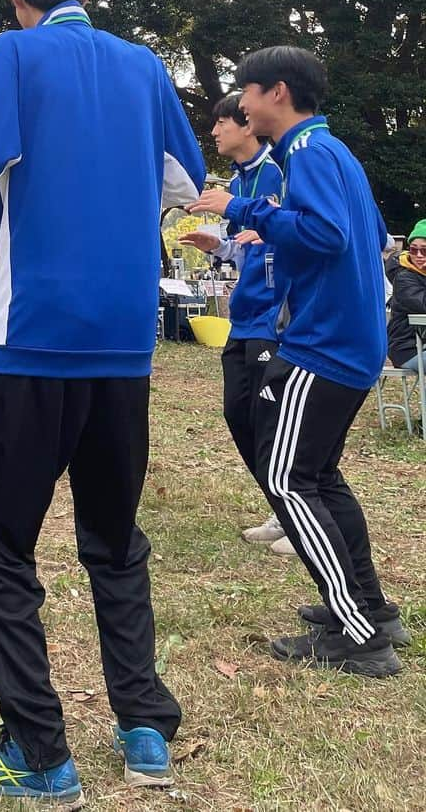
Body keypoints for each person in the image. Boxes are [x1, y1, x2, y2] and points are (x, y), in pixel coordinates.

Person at [0, 0, 205, 803]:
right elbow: (183, 181)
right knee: (115, 541)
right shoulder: (144, 65)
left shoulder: (9, 54)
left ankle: (39, 754)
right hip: (124, 346)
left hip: (28, 339)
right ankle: (144, 727)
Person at [190, 45, 405, 677]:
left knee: (286, 481)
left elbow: (327, 235)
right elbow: (346, 236)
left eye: (245, 93)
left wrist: (242, 209)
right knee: (321, 477)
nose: (240, 105)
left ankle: (360, 636)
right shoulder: (327, 153)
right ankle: (372, 607)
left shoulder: (310, 153)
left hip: (327, 345)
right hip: (348, 341)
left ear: (276, 93)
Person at [179, 93, 290, 553]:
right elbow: (244, 245)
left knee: (273, 418)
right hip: (243, 316)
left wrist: (267, 227)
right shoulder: (238, 182)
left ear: (247, 125)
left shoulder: (279, 172)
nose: (214, 132)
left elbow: (299, 233)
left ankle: (295, 516)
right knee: (238, 413)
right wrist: (218, 245)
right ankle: (281, 507)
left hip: (276, 316)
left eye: (221, 123)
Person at [386, 220, 426, 374]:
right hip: (407, 349)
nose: (418, 255)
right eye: (413, 250)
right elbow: (422, 305)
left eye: (424, 250)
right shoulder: (403, 277)